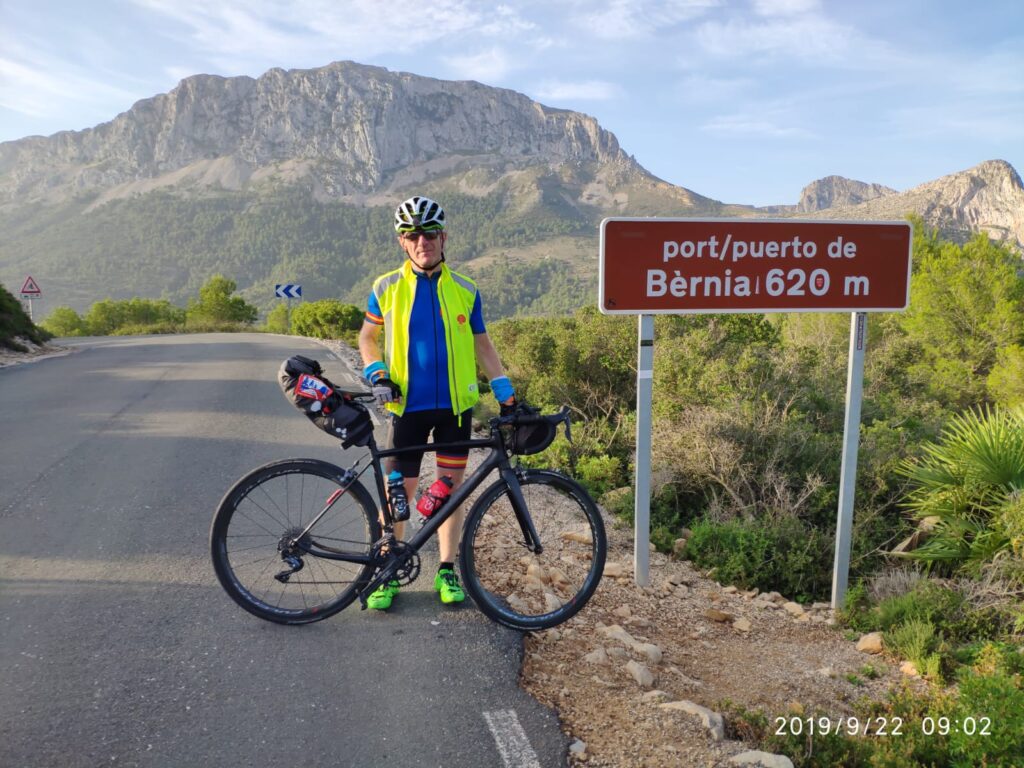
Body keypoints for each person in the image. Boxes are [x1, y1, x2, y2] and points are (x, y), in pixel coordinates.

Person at [358, 195, 516, 610]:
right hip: (406, 407)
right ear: (402, 242)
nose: (421, 241)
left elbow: (483, 343)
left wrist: (503, 388)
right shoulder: (385, 287)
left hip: (454, 410)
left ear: (443, 237)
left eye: (429, 233)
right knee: (398, 494)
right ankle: (388, 569)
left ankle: (446, 569)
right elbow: (367, 337)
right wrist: (376, 371)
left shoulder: (466, 289)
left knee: (449, 492)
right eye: (412, 235)